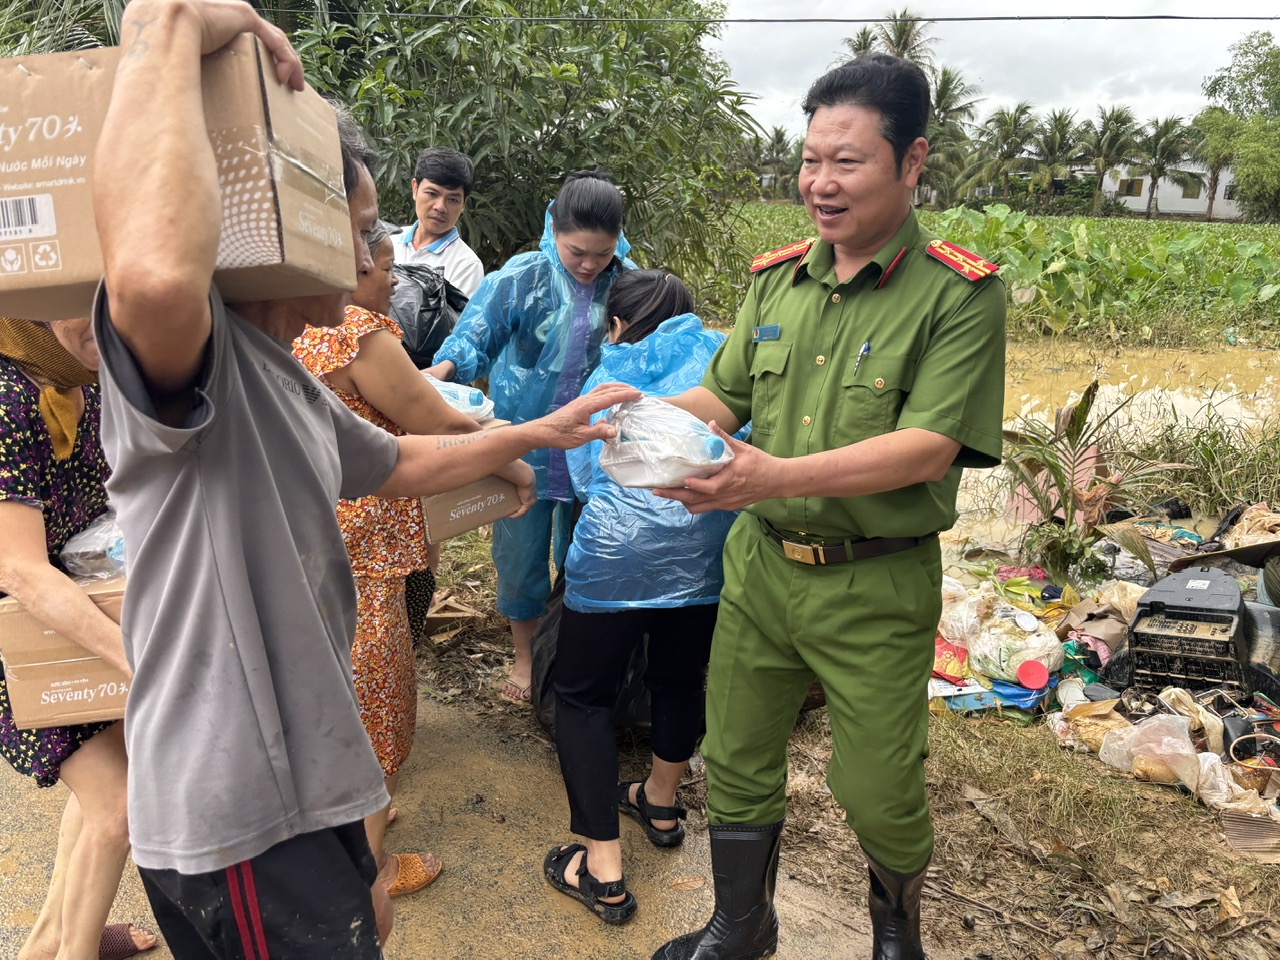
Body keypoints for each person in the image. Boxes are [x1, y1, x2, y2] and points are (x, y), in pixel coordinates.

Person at [90, 3, 637, 956]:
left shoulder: (282, 374)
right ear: (279, 221)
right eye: (359, 223)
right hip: (244, 817)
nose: (372, 252)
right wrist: (169, 23)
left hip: (305, 795)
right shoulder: (199, 369)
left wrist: (541, 431)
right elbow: (154, 279)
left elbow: (403, 459)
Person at [651, 54, 1006, 960]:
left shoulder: (957, 293)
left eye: (846, 162)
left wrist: (768, 476)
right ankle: (742, 924)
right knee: (733, 755)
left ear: (912, 161)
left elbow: (927, 445)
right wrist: (627, 419)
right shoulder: (777, 281)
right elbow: (722, 401)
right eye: (810, 160)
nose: (819, 183)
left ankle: (896, 936)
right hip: (762, 569)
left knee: (879, 784)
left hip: (874, 584)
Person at [544, 271, 742, 925]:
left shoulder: (613, 370)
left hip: (615, 561)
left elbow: (579, 474)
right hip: (706, 556)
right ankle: (660, 800)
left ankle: (601, 868)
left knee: (582, 697)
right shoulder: (724, 357)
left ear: (620, 324)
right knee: (681, 679)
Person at [293, 223, 481, 901]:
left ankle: (347, 817)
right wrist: (509, 441)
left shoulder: (284, 324)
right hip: (366, 542)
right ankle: (368, 865)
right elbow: (440, 422)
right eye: (383, 267)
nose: (395, 279)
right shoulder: (359, 334)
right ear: (348, 266)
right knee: (378, 695)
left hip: (308, 534)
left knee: (326, 682)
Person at [425, 170, 636, 704]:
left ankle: (566, 651)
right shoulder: (521, 278)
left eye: (602, 254)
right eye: (577, 252)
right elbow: (475, 334)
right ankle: (524, 658)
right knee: (519, 553)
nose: (590, 265)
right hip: (526, 439)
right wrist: (437, 376)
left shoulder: (627, 281)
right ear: (554, 231)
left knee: (585, 551)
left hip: (596, 444)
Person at [0, 316, 156, 960]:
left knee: (109, 789)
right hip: (23, 637)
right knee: (117, 807)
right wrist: (132, 658)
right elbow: (19, 569)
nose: (102, 316)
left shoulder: (73, 382)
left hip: (66, 620)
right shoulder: (9, 398)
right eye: (75, 301)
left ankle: (52, 941)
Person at [394, 146, 484, 297]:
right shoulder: (388, 241)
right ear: (415, 189)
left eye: (453, 199)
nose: (440, 207)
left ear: (463, 204)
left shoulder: (466, 266)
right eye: (432, 193)